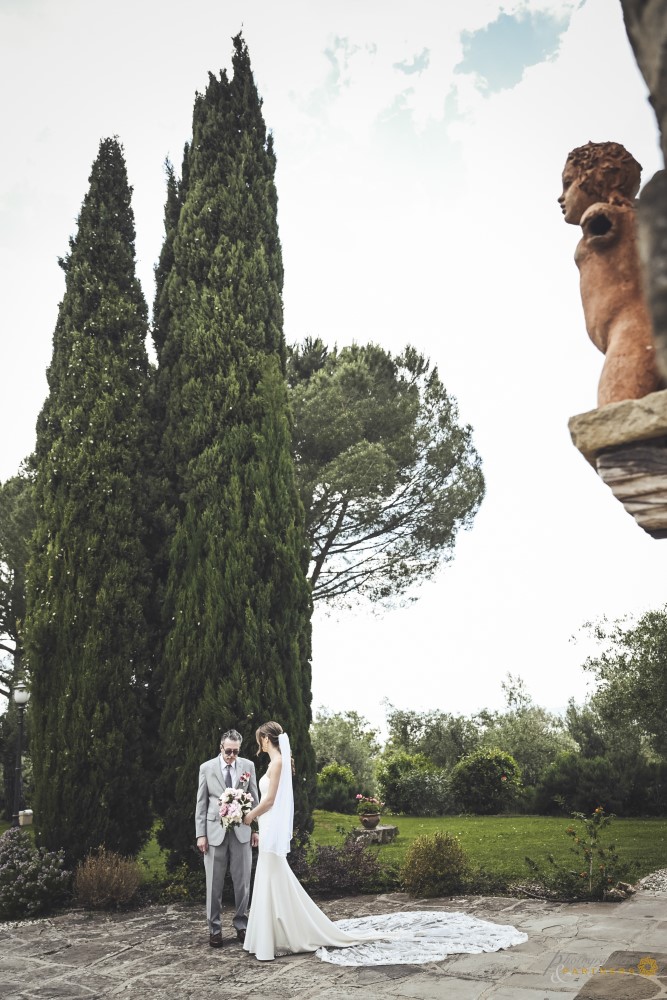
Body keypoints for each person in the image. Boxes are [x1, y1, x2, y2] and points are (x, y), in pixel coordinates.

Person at [242, 721, 528, 965]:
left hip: (266, 829)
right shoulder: (274, 762)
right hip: (267, 830)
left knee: (273, 880)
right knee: (273, 881)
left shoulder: (277, 763)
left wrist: (249, 815)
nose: (260, 745)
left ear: (267, 738)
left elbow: (269, 801)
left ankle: (281, 936)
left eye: (260, 741)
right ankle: (274, 936)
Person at [558, 140, 663, 406]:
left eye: (568, 183)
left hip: (633, 337)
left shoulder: (602, 216)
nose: (561, 196)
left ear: (603, 180)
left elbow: (604, 222)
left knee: (615, 412)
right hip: (629, 336)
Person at [195, 728, 259, 948]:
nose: (232, 756)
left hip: (241, 831)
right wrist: (200, 834)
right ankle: (214, 929)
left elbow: (255, 801)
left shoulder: (248, 766)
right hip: (214, 833)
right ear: (220, 747)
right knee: (214, 884)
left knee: (243, 884)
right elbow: (201, 804)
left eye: (235, 752)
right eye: (228, 751)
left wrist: (256, 830)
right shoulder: (206, 768)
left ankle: (241, 924)